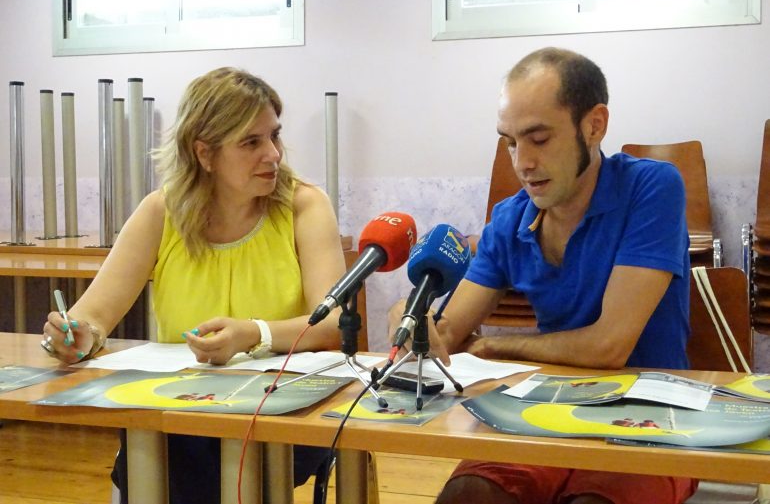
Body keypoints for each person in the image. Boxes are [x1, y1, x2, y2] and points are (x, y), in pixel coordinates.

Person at [389, 47, 696, 504]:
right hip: (547, 408)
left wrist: (498, 344)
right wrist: (415, 321)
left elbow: (609, 346)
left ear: (594, 125)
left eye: (539, 138)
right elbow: (450, 331)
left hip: (650, 413)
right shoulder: (509, 218)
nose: (521, 162)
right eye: (511, 141)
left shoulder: (652, 187)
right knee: (470, 495)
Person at [40, 67, 347, 503]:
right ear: (204, 153)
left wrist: (253, 334)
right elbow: (93, 315)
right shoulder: (160, 212)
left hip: (281, 408)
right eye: (251, 142)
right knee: (160, 446)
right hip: (182, 408)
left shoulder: (304, 205)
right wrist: (75, 336)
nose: (274, 154)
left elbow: (335, 321)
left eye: (274, 136)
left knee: (199, 456)